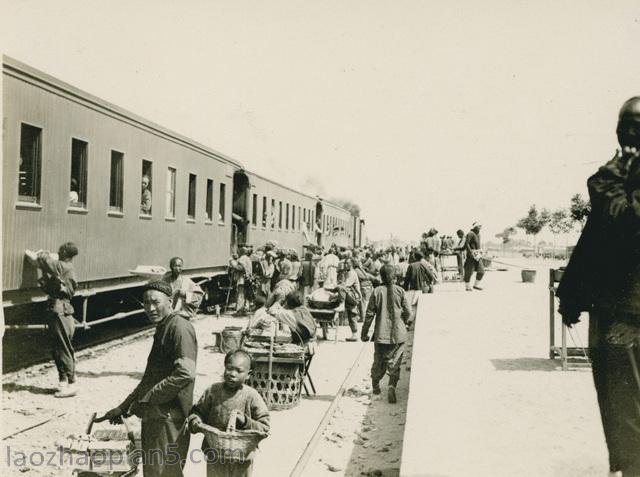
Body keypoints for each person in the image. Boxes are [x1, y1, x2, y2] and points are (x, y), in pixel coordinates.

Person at [557, 97, 640, 477]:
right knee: (620, 409)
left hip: (625, 314)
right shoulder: (616, 178)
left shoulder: (616, 177)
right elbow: (597, 233)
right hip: (617, 314)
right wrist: (572, 291)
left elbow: (620, 223)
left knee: (626, 412)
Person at [104, 281, 197, 477]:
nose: (150, 308)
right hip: (156, 416)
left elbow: (186, 373)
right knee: (154, 472)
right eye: (146, 303)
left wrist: (147, 398)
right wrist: (123, 406)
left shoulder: (179, 328)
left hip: (168, 418)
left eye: (156, 302)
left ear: (170, 301)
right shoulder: (164, 327)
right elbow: (150, 378)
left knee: (164, 473)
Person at [188, 350, 270, 477]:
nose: (232, 374)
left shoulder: (251, 395)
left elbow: (264, 426)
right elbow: (198, 412)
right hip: (215, 454)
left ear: (248, 374)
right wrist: (195, 422)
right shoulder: (213, 391)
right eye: (229, 368)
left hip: (242, 457)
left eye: (239, 371)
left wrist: (246, 421)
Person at [25, 242, 79, 398]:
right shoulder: (65, 267)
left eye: (60, 249)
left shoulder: (63, 266)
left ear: (63, 252)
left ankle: (71, 383)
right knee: (57, 348)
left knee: (63, 348)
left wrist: (42, 253)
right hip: (58, 309)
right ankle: (63, 381)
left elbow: (47, 261)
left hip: (60, 310)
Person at [361, 264, 411, 404]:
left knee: (378, 362)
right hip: (398, 335)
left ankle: (376, 389)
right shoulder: (400, 291)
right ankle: (391, 386)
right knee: (395, 363)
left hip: (381, 336)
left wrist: (364, 333)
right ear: (395, 276)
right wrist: (406, 322)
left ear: (381, 276)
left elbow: (369, 315)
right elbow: (408, 312)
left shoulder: (376, 292)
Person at [340, 258, 362, 342]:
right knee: (351, 314)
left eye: (347, 264)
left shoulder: (352, 273)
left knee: (352, 314)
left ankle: (355, 334)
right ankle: (354, 333)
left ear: (351, 264)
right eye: (345, 263)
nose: (345, 265)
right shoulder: (348, 273)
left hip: (353, 296)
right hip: (351, 295)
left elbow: (346, 284)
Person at [463, 222, 484, 291]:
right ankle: (467, 287)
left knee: (481, 271)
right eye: (478, 227)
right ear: (474, 227)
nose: (479, 228)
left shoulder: (479, 235)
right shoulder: (470, 234)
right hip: (471, 256)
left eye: (480, 227)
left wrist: (480, 252)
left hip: (478, 255)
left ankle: (476, 285)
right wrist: (471, 252)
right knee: (469, 272)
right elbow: (467, 244)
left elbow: (478, 245)